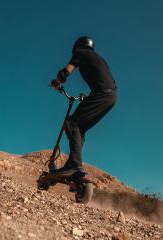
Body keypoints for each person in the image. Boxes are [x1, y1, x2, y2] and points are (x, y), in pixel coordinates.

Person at [49, 36, 117, 176]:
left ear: (77, 47)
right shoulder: (98, 58)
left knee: (72, 123)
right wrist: (90, 97)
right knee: (81, 128)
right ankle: (72, 165)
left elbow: (66, 71)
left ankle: (74, 165)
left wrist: (57, 81)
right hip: (111, 96)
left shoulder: (81, 53)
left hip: (101, 94)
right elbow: (105, 80)